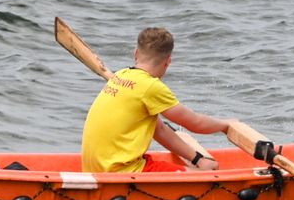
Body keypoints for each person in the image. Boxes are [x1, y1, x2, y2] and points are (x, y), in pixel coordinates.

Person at [80, 27, 232, 173]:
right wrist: (226, 125)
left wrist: (198, 159)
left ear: (136, 53)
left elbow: (159, 130)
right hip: (122, 170)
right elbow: (194, 123)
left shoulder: (121, 75)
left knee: (193, 168)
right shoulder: (151, 87)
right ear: (168, 61)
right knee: (200, 176)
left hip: (96, 167)